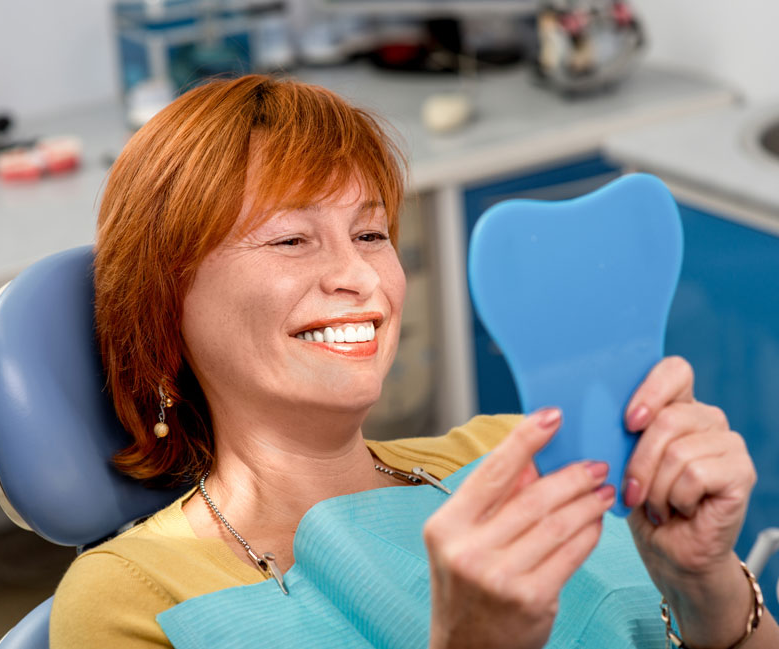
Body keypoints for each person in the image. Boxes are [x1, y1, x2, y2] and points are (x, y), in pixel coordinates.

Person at [50, 74, 778, 649]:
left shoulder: (513, 454)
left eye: (370, 234)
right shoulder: (132, 597)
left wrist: (705, 586)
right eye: (290, 240)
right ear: (163, 303)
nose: (362, 279)